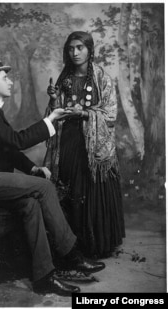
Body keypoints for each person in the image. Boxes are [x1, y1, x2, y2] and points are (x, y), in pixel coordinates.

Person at [0, 59, 105, 297]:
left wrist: (32, 169)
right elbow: (16, 142)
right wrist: (51, 120)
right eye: (5, 78)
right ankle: (72, 257)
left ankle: (44, 277)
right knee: (44, 188)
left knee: (30, 204)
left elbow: (6, 148)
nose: (11, 81)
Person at [44, 31, 125, 259]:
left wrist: (86, 113)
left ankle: (96, 245)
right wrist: (53, 99)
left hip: (92, 146)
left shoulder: (102, 78)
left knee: (88, 189)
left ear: (90, 50)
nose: (75, 52)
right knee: (69, 190)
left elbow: (110, 114)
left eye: (80, 47)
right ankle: (71, 248)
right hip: (68, 143)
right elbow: (55, 112)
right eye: (71, 48)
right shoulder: (64, 78)